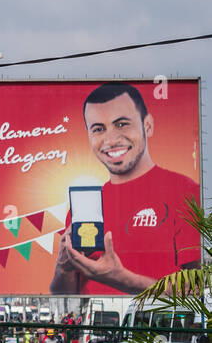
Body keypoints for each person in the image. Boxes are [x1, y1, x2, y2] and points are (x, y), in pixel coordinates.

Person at [51, 82, 200, 295]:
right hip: (94, 327)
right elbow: (63, 294)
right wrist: (63, 268)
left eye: (121, 124)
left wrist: (121, 279)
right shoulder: (84, 209)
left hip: (157, 326)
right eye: (98, 129)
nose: (111, 139)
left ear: (147, 125)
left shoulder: (185, 192)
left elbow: (195, 289)